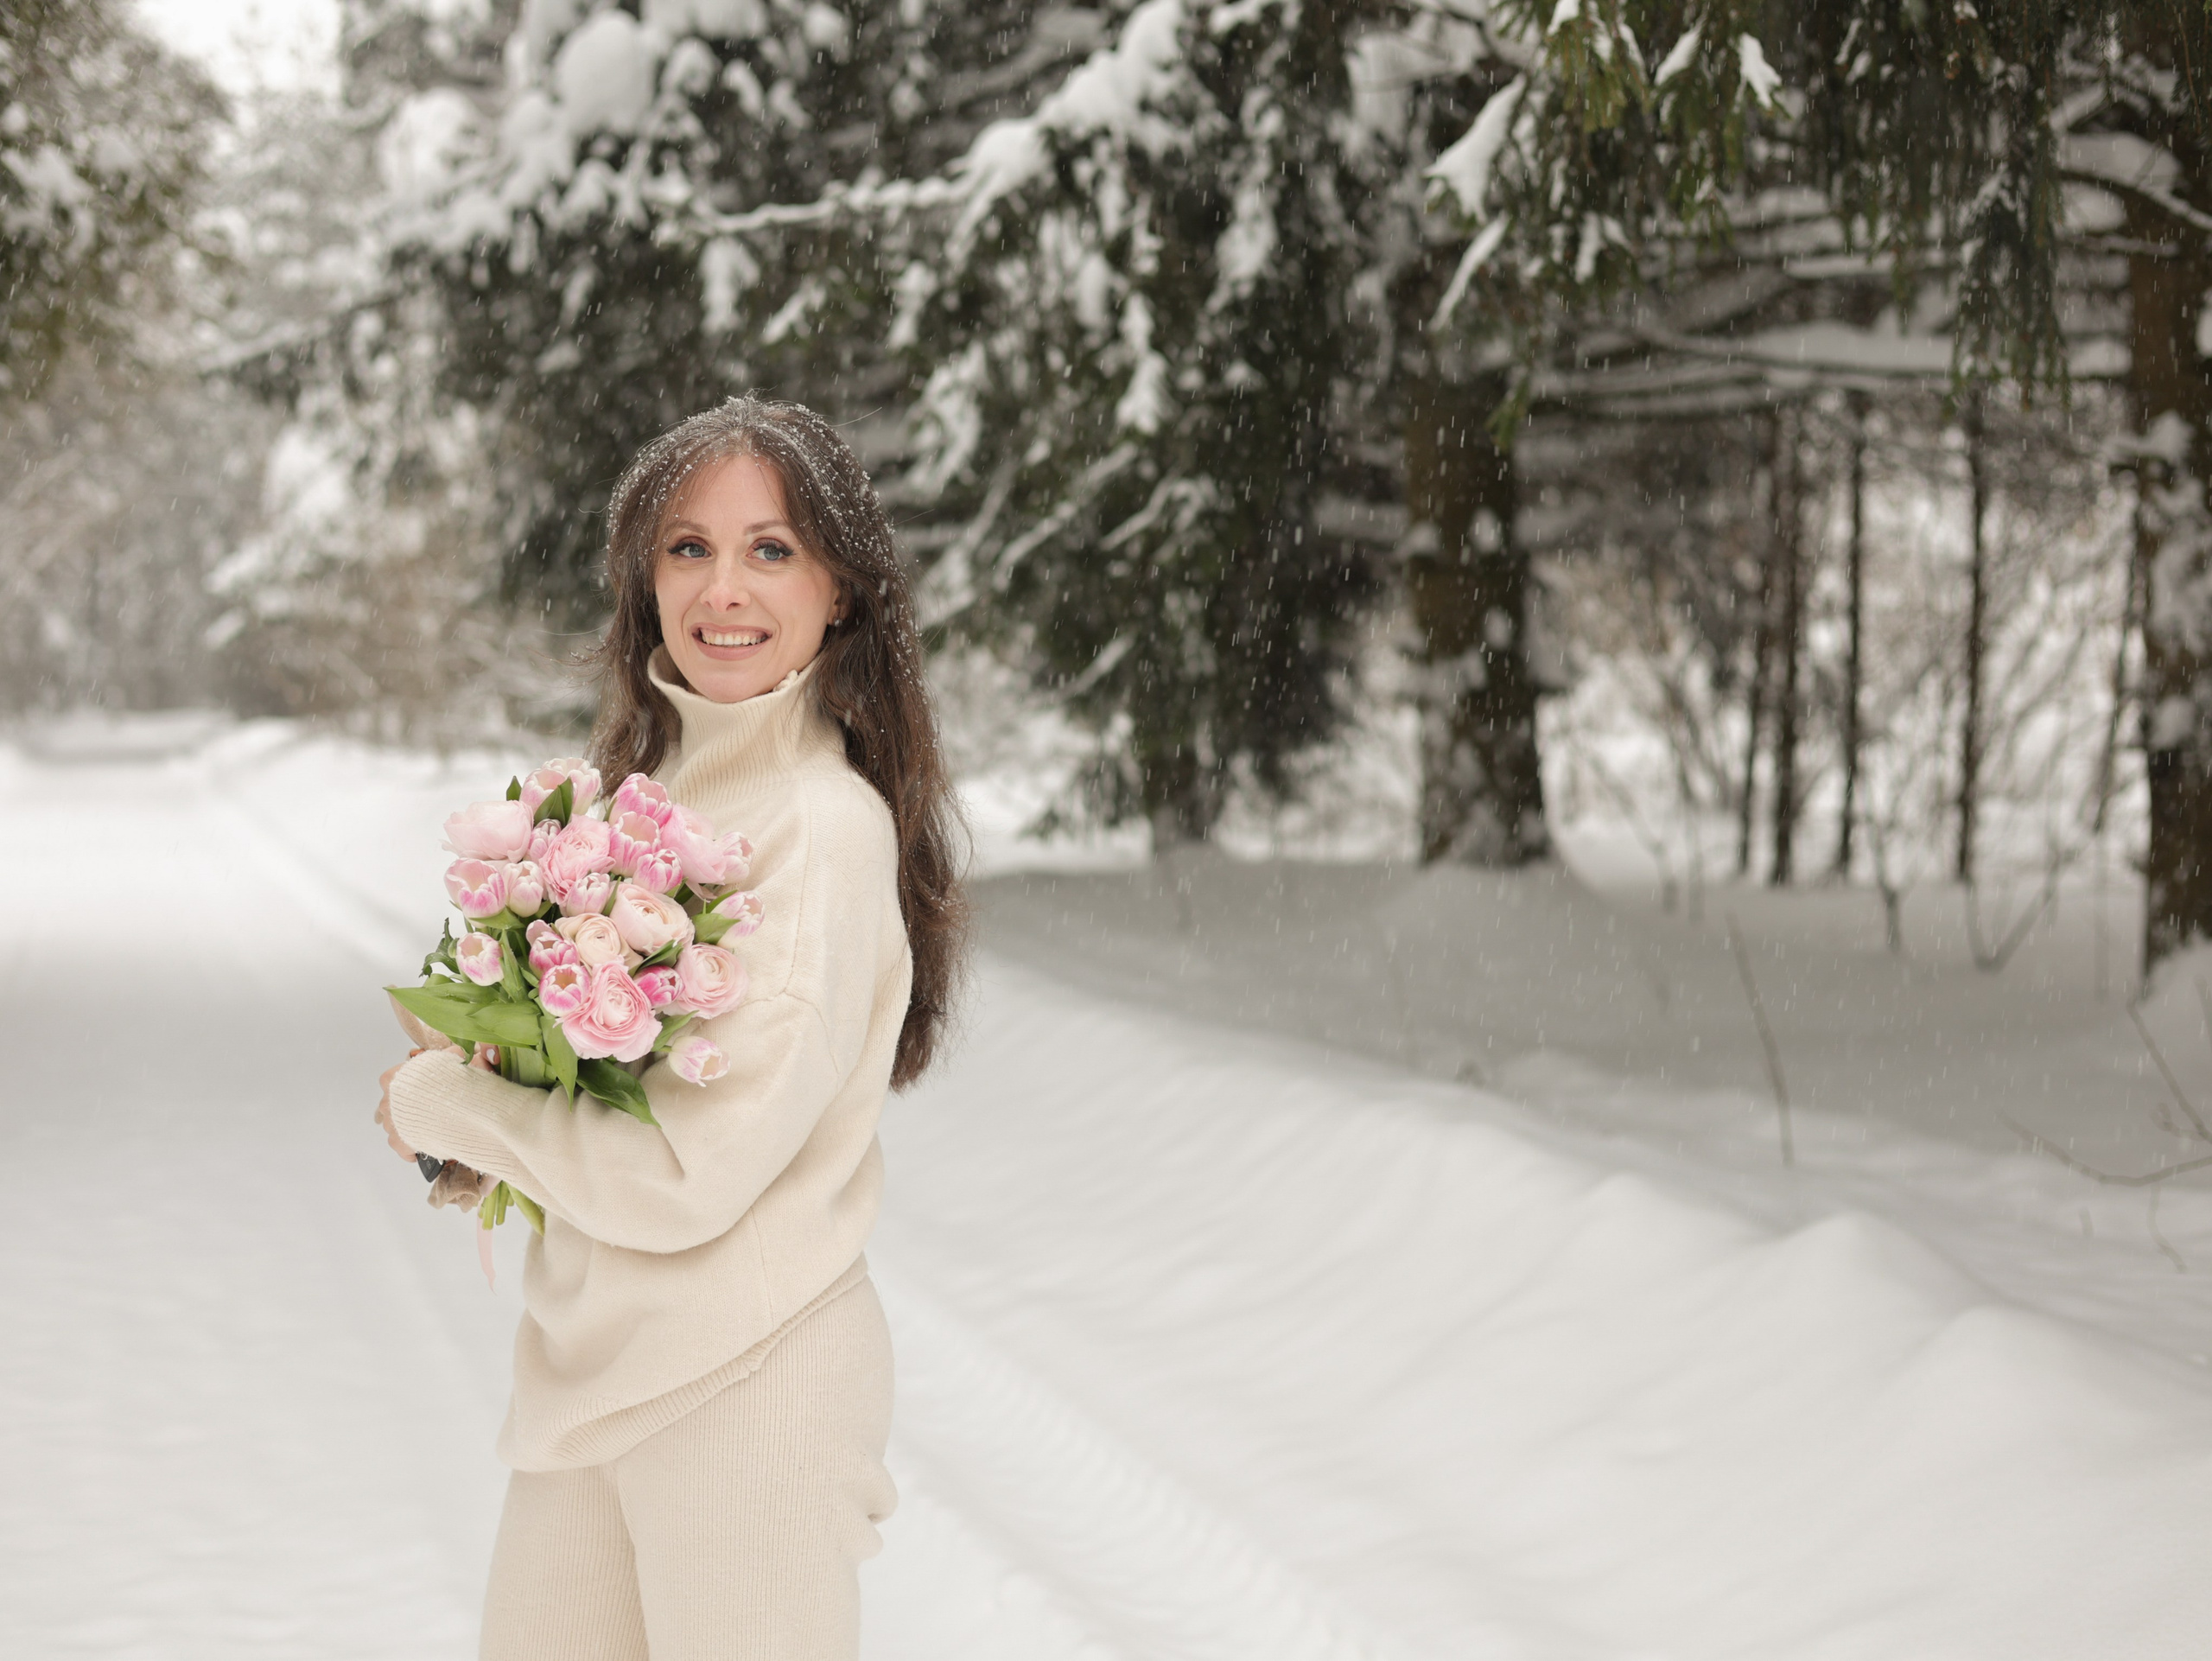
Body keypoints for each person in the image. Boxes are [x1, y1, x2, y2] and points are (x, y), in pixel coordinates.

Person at [374, 396, 969, 1660]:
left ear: (842, 589)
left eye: (772, 548)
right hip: (591, 1369)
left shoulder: (819, 824)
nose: (724, 588)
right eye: (687, 547)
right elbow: (621, 1101)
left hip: (745, 1379)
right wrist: (509, 1091)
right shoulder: (648, 801)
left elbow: (690, 1172)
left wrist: (448, 1103)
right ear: (645, 580)